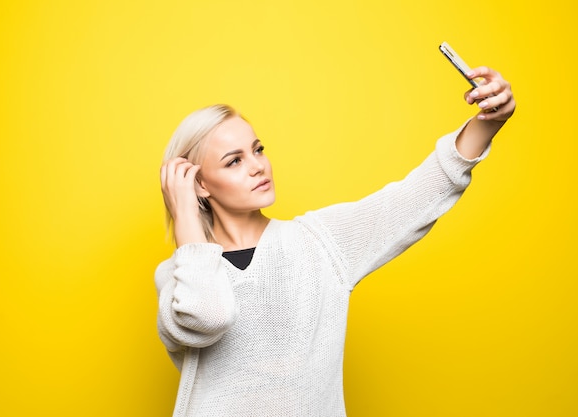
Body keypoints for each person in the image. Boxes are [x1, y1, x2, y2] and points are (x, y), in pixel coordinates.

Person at [155, 66, 515, 417]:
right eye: (234, 161)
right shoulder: (177, 277)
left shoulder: (320, 242)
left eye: (258, 149)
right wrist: (186, 216)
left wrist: (488, 123)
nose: (258, 166)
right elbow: (209, 316)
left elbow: (415, 198)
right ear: (199, 185)